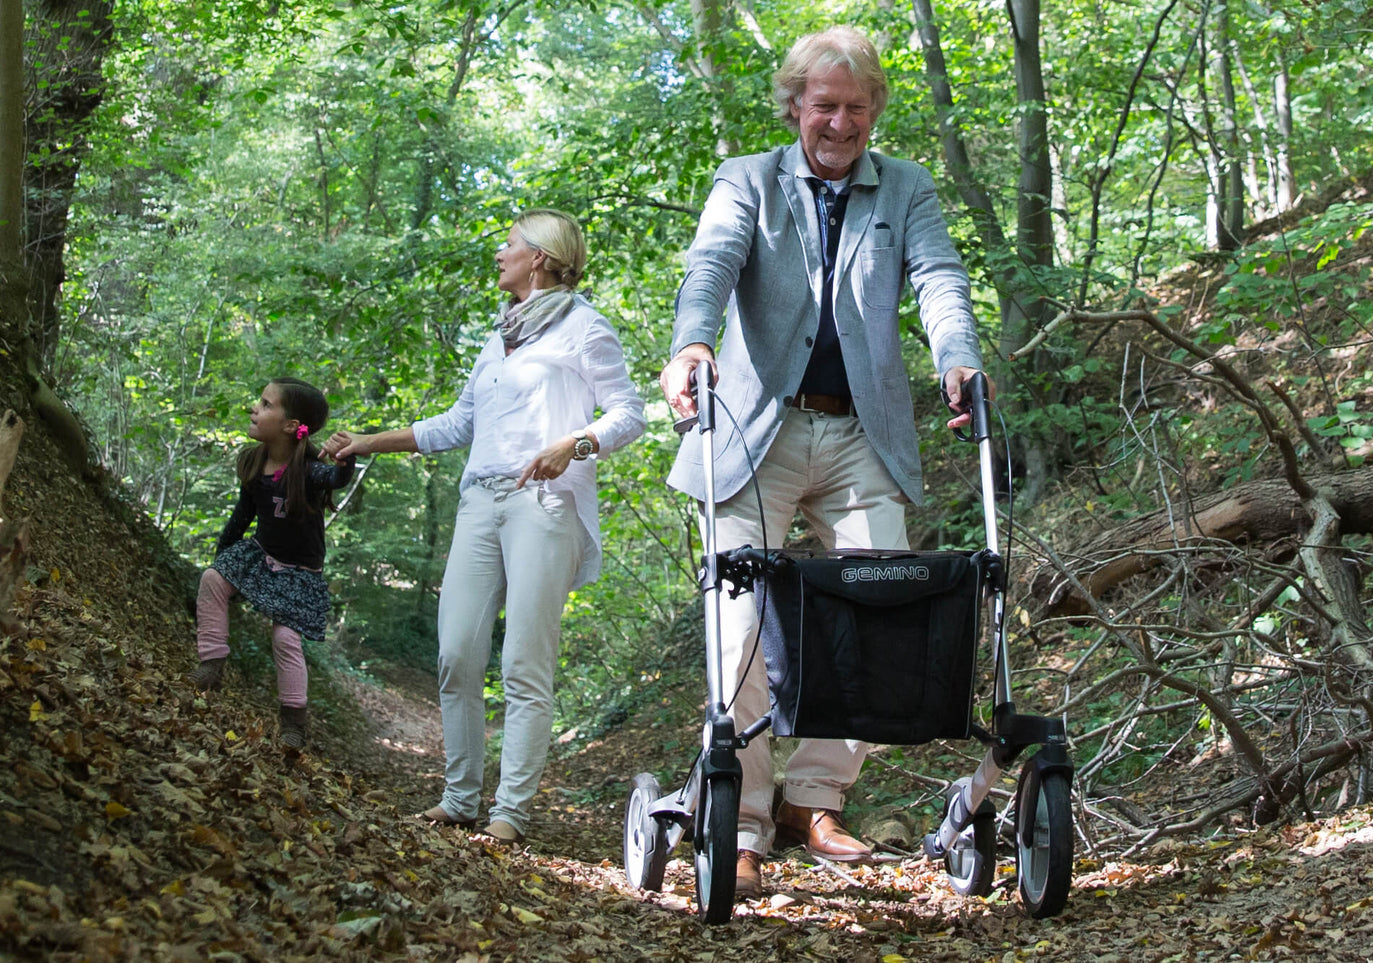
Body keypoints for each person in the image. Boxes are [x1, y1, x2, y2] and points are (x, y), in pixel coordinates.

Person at [659, 26, 993, 900]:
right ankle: (740, 812)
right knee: (738, 632)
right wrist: (691, 343)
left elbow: (938, 279)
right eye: (823, 106)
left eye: (854, 107)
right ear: (795, 107)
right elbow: (711, 264)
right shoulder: (748, 181)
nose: (838, 122)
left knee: (881, 609)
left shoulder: (906, 188)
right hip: (753, 432)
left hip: (860, 434)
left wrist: (956, 357)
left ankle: (816, 799)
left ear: (873, 109)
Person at [325, 209, 645, 843]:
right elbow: (456, 424)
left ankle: (511, 813)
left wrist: (574, 445)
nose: (499, 255)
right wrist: (367, 441)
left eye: (509, 245)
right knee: (456, 654)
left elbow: (630, 413)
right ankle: (460, 797)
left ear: (541, 258)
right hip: (481, 501)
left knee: (526, 663)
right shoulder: (497, 339)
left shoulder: (585, 327)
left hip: (546, 503)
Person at [189, 377, 356, 750]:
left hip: (299, 571)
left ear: (288, 425)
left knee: (285, 639)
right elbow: (240, 518)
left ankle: (294, 721)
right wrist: (223, 564)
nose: (254, 408)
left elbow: (337, 478)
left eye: (265, 404)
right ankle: (211, 665)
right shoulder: (253, 462)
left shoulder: (310, 470)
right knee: (212, 580)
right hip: (261, 554)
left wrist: (347, 456)